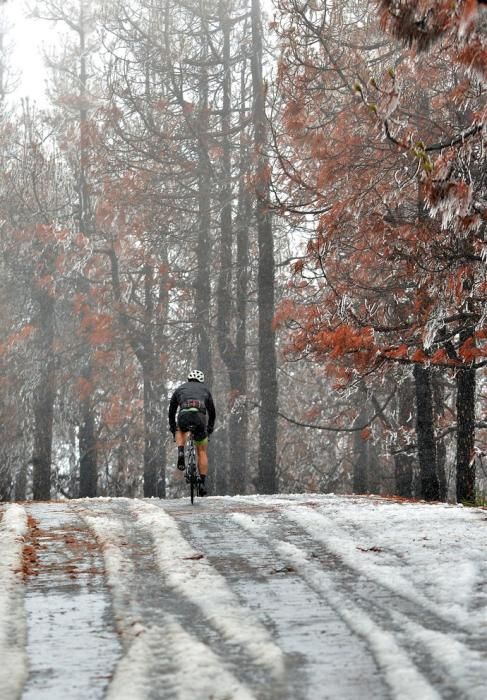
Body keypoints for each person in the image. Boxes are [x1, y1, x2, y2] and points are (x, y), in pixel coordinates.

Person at [168, 369, 216, 496]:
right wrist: (209, 429)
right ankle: (202, 483)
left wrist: (173, 428)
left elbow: (171, 411)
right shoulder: (205, 390)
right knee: (201, 450)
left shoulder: (179, 389)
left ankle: (181, 451)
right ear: (201, 380)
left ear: (188, 379)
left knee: (180, 430)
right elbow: (212, 413)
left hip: (184, 415)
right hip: (200, 418)